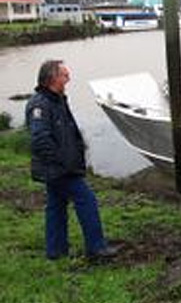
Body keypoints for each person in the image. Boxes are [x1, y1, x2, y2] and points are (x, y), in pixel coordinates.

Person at [26, 60, 116, 260]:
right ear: (52, 78)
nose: (69, 79)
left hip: (59, 168)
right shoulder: (40, 104)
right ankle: (96, 249)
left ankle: (56, 252)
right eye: (65, 75)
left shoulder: (56, 100)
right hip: (59, 169)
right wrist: (62, 163)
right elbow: (40, 139)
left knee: (56, 206)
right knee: (87, 200)